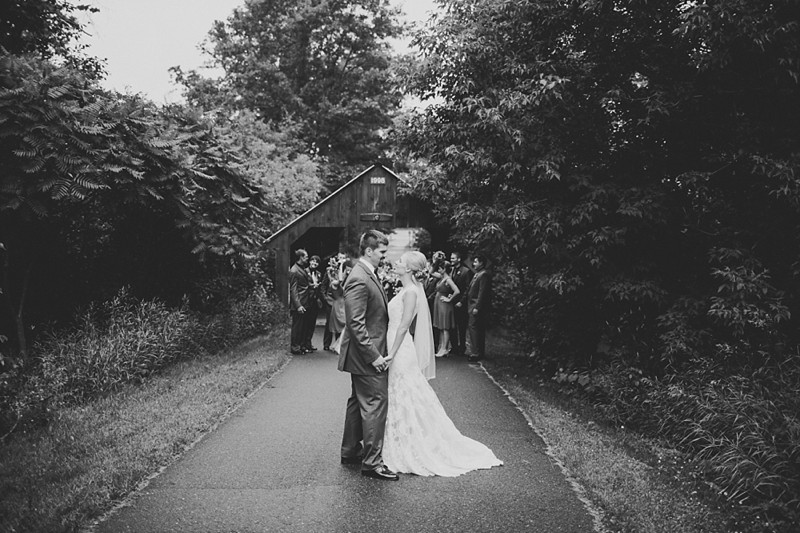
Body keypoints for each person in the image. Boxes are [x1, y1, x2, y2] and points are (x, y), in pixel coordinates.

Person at [382, 251, 503, 476]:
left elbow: (403, 326)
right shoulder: (406, 289)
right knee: (400, 393)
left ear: (408, 269)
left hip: (399, 349)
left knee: (405, 393)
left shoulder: (410, 293)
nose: (395, 263)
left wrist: (391, 353)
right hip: (395, 344)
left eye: (400, 262)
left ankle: (411, 443)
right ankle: (395, 437)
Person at [337, 230, 398, 481]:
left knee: (357, 402)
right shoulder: (359, 278)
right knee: (375, 403)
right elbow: (355, 323)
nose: (384, 257)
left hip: (361, 355)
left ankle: (350, 450)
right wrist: (374, 356)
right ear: (369, 251)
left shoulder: (366, 274)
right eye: (382, 252)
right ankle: (372, 463)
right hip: (366, 355)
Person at [466, 254, 492, 363]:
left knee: (474, 328)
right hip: (471, 304)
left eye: (476, 262)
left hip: (475, 306)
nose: (473, 264)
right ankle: (478, 351)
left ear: (481, 263)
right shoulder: (477, 274)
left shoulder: (483, 275)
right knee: (476, 328)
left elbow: (482, 292)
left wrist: (477, 307)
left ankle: (475, 353)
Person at [432, 261, 460, 358]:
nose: (438, 270)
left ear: (444, 269)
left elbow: (457, 291)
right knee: (441, 328)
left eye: (440, 268)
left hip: (444, 305)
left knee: (445, 327)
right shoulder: (441, 277)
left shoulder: (448, 279)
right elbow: (431, 272)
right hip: (439, 304)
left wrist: (449, 299)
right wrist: (436, 261)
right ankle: (442, 347)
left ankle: (445, 348)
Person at [448, 251, 474, 356]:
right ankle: (454, 347)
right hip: (451, 302)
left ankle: (462, 347)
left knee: (461, 327)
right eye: (451, 258)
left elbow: (468, 289)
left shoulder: (466, 271)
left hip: (461, 303)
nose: (451, 260)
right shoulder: (451, 270)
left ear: (459, 259)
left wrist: (461, 302)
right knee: (452, 326)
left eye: (453, 258)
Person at [288, 249, 312, 355]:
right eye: (306, 256)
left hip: (305, 301)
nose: (307, 258)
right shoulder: (294, 270)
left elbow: (304, 285)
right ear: (301, 257)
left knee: (303, 326)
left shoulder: (302, 268)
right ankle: (295, 347)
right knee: (297, 327)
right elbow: (293, 289)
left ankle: (301, 346)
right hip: (299, 303)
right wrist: (298, 305)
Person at [328, 254, 351, 353]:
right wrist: (341, 265)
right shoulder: (335, 282)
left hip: (343, 304)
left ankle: (340, 344)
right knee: (343, 325)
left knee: (344, 326)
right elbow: (340, 280)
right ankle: (340, 346)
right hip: (339, 306)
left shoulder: (339, 281)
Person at [302, 254, 323, 352]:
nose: (314, 263)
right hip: (307, 300)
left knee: (312, 323)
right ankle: (304, 344)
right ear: (309, 262)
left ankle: (309, 343)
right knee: (305, 323)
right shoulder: (305, 272)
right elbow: (304, 285)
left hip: (315, 300)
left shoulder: (318, 273)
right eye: (313, 261)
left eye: (316, 262)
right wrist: (312, 286)